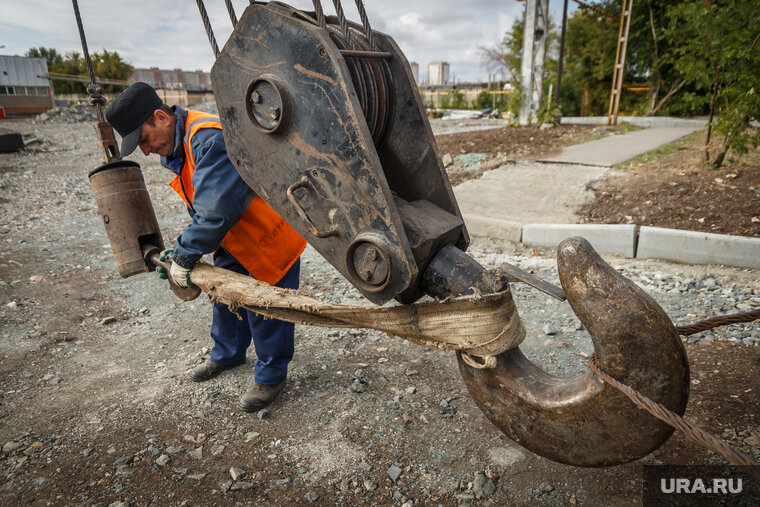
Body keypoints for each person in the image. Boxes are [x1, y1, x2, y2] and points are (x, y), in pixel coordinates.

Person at [105, 82, 306, 412]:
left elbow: (217, 210)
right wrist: (183, 250)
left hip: (265, 236)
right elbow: (207, 208)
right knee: (225, 300)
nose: (145, 150)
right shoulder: (180, 146)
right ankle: (228, 354)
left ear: (161, 117)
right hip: (233, 238)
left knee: (267, 309)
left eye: (143, 139)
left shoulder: (207, 136)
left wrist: (185, 252)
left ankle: (271, 377)